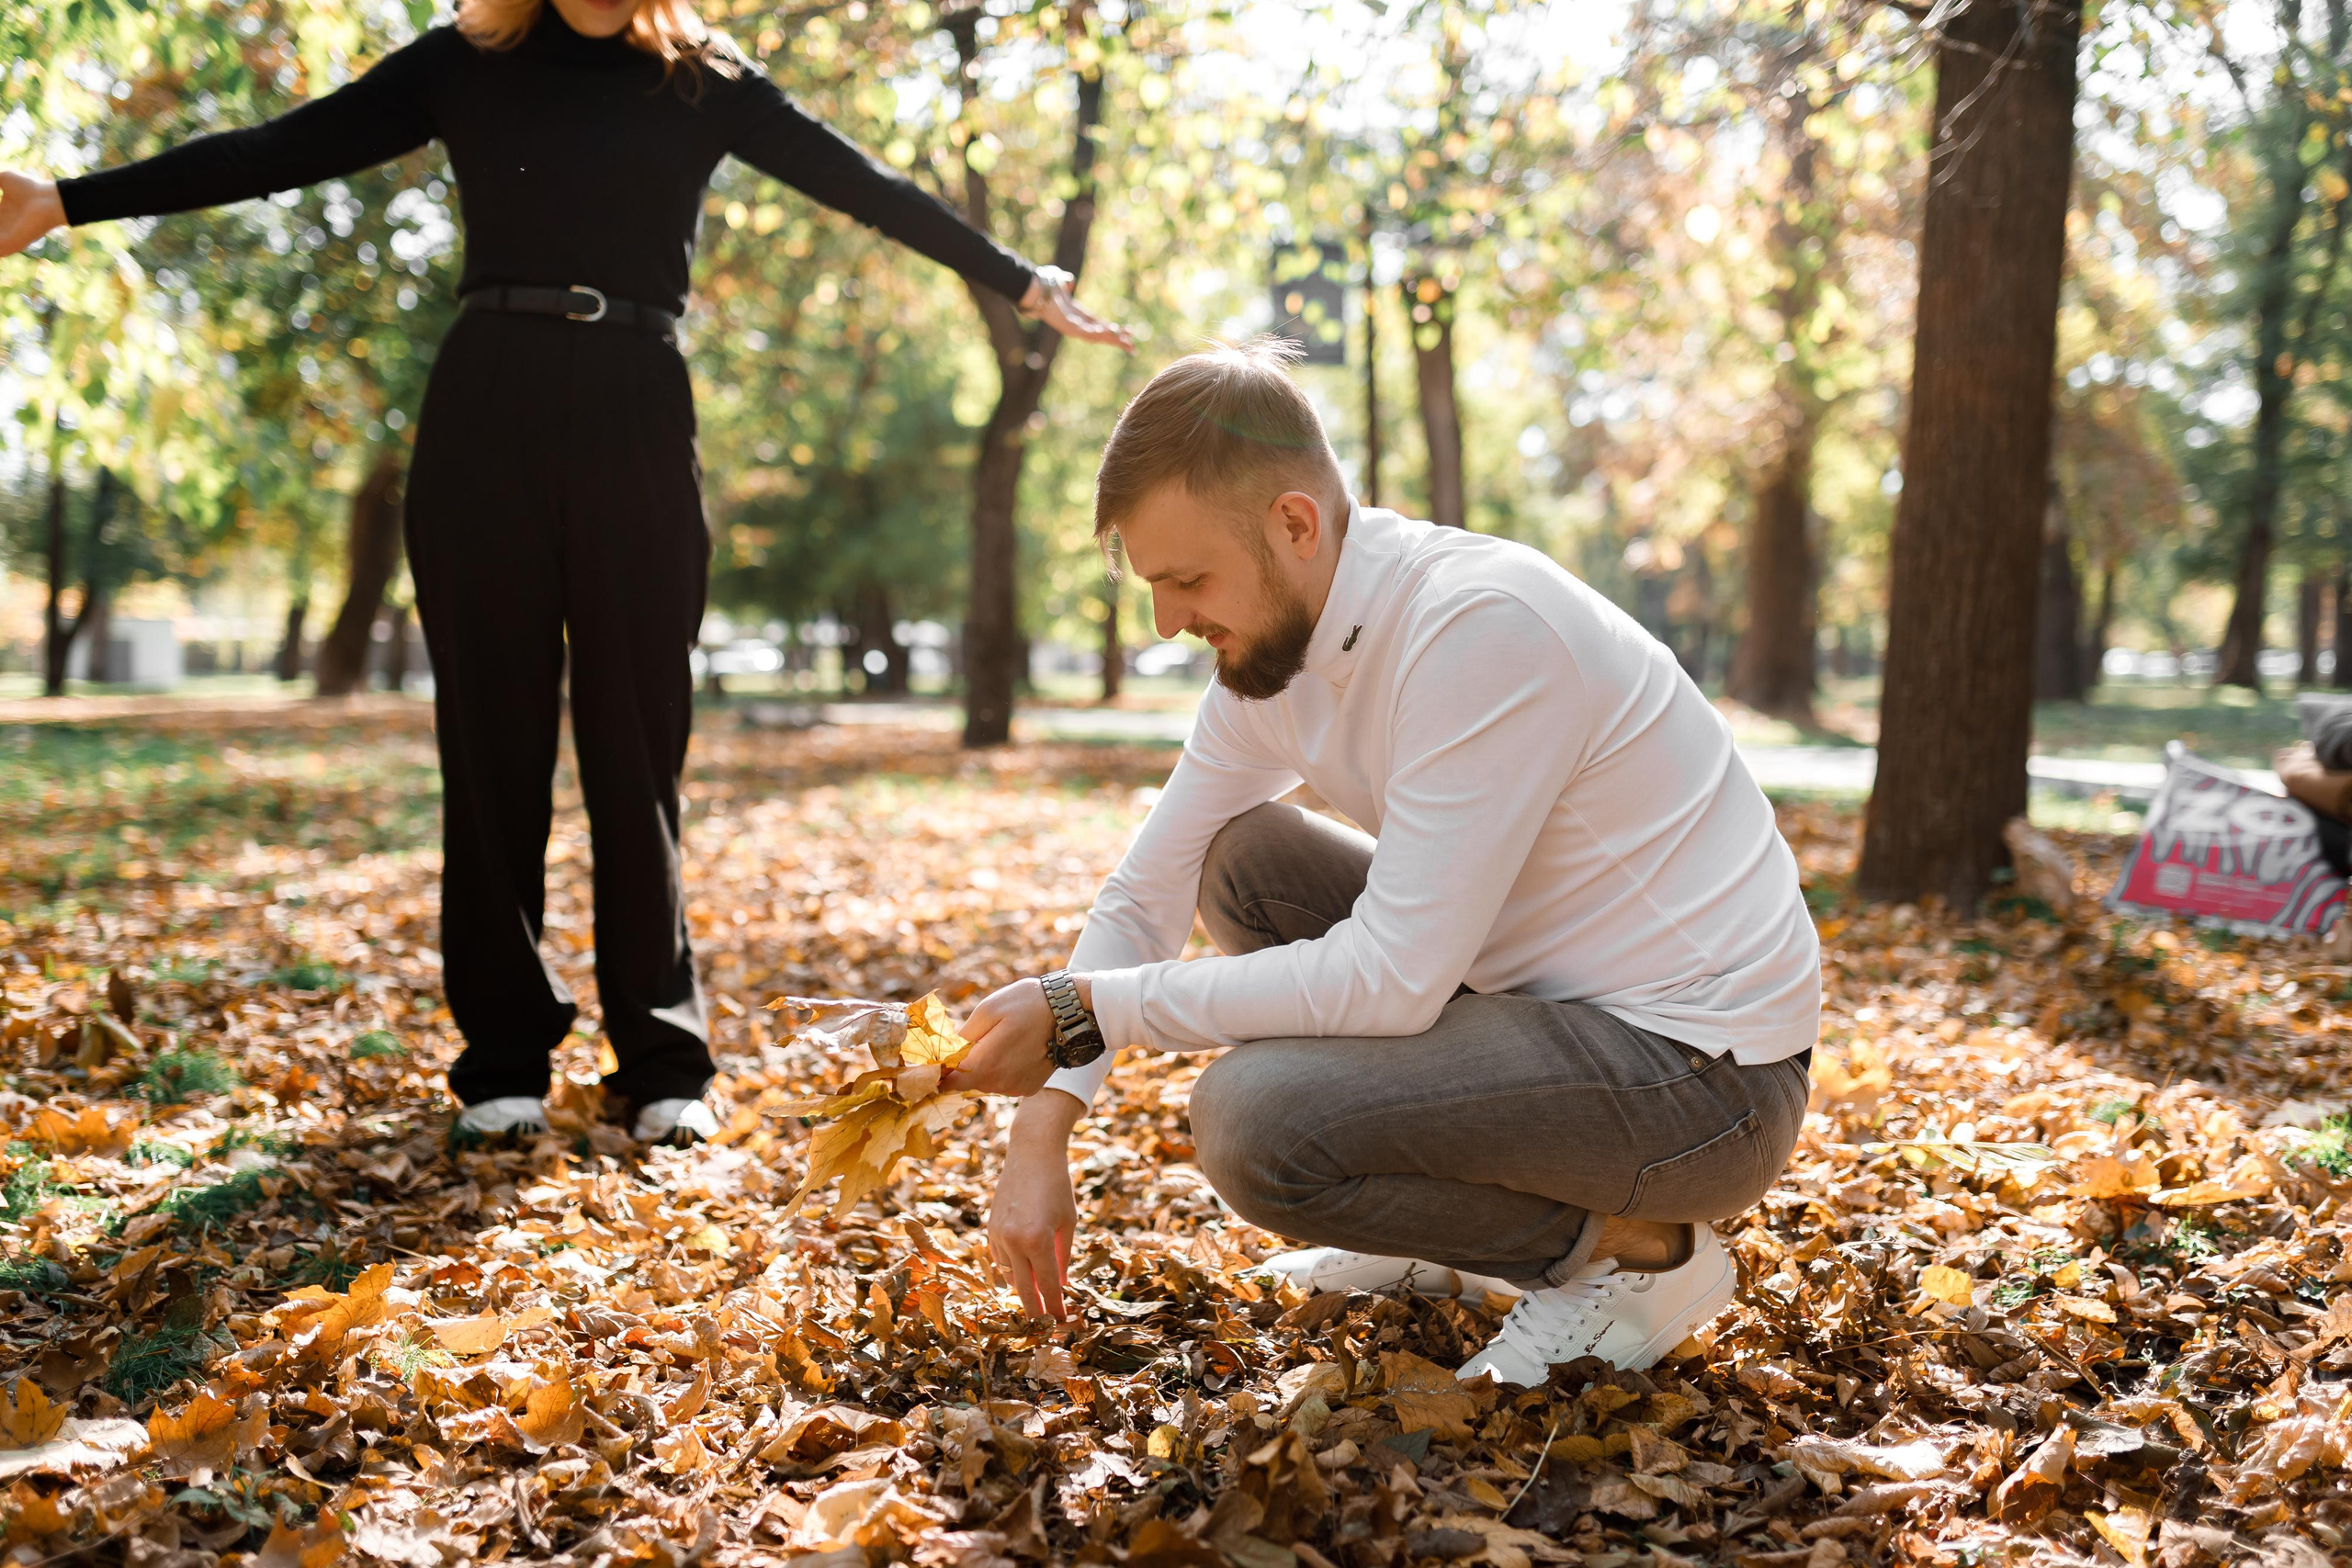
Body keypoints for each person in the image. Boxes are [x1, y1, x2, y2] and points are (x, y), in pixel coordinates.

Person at [0, 0, 1127, 1146]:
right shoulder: (464, 62)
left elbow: (868, 185)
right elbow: (278, 149)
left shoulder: (705, 79)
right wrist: (65, 201)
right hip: (487, 400)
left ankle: (661, 1060)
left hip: (639, 403)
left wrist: (1017, 278)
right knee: (491, 744)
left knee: (637, 744)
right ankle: (503, 1059)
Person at [944, 341, 1820, 1383]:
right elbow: (1150, 885)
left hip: (1700, 1081)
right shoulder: (1272, 658)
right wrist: (1047, 1122)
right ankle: (1437, 1219)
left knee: (1252, 1119)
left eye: (1185, 579)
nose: (1166, 621)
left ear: (1296, 525)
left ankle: (1638, 1261)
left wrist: (1091, 1006)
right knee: (1243, 856)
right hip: (1537, 1010)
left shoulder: (1476, 629)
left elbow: (1395, 980)